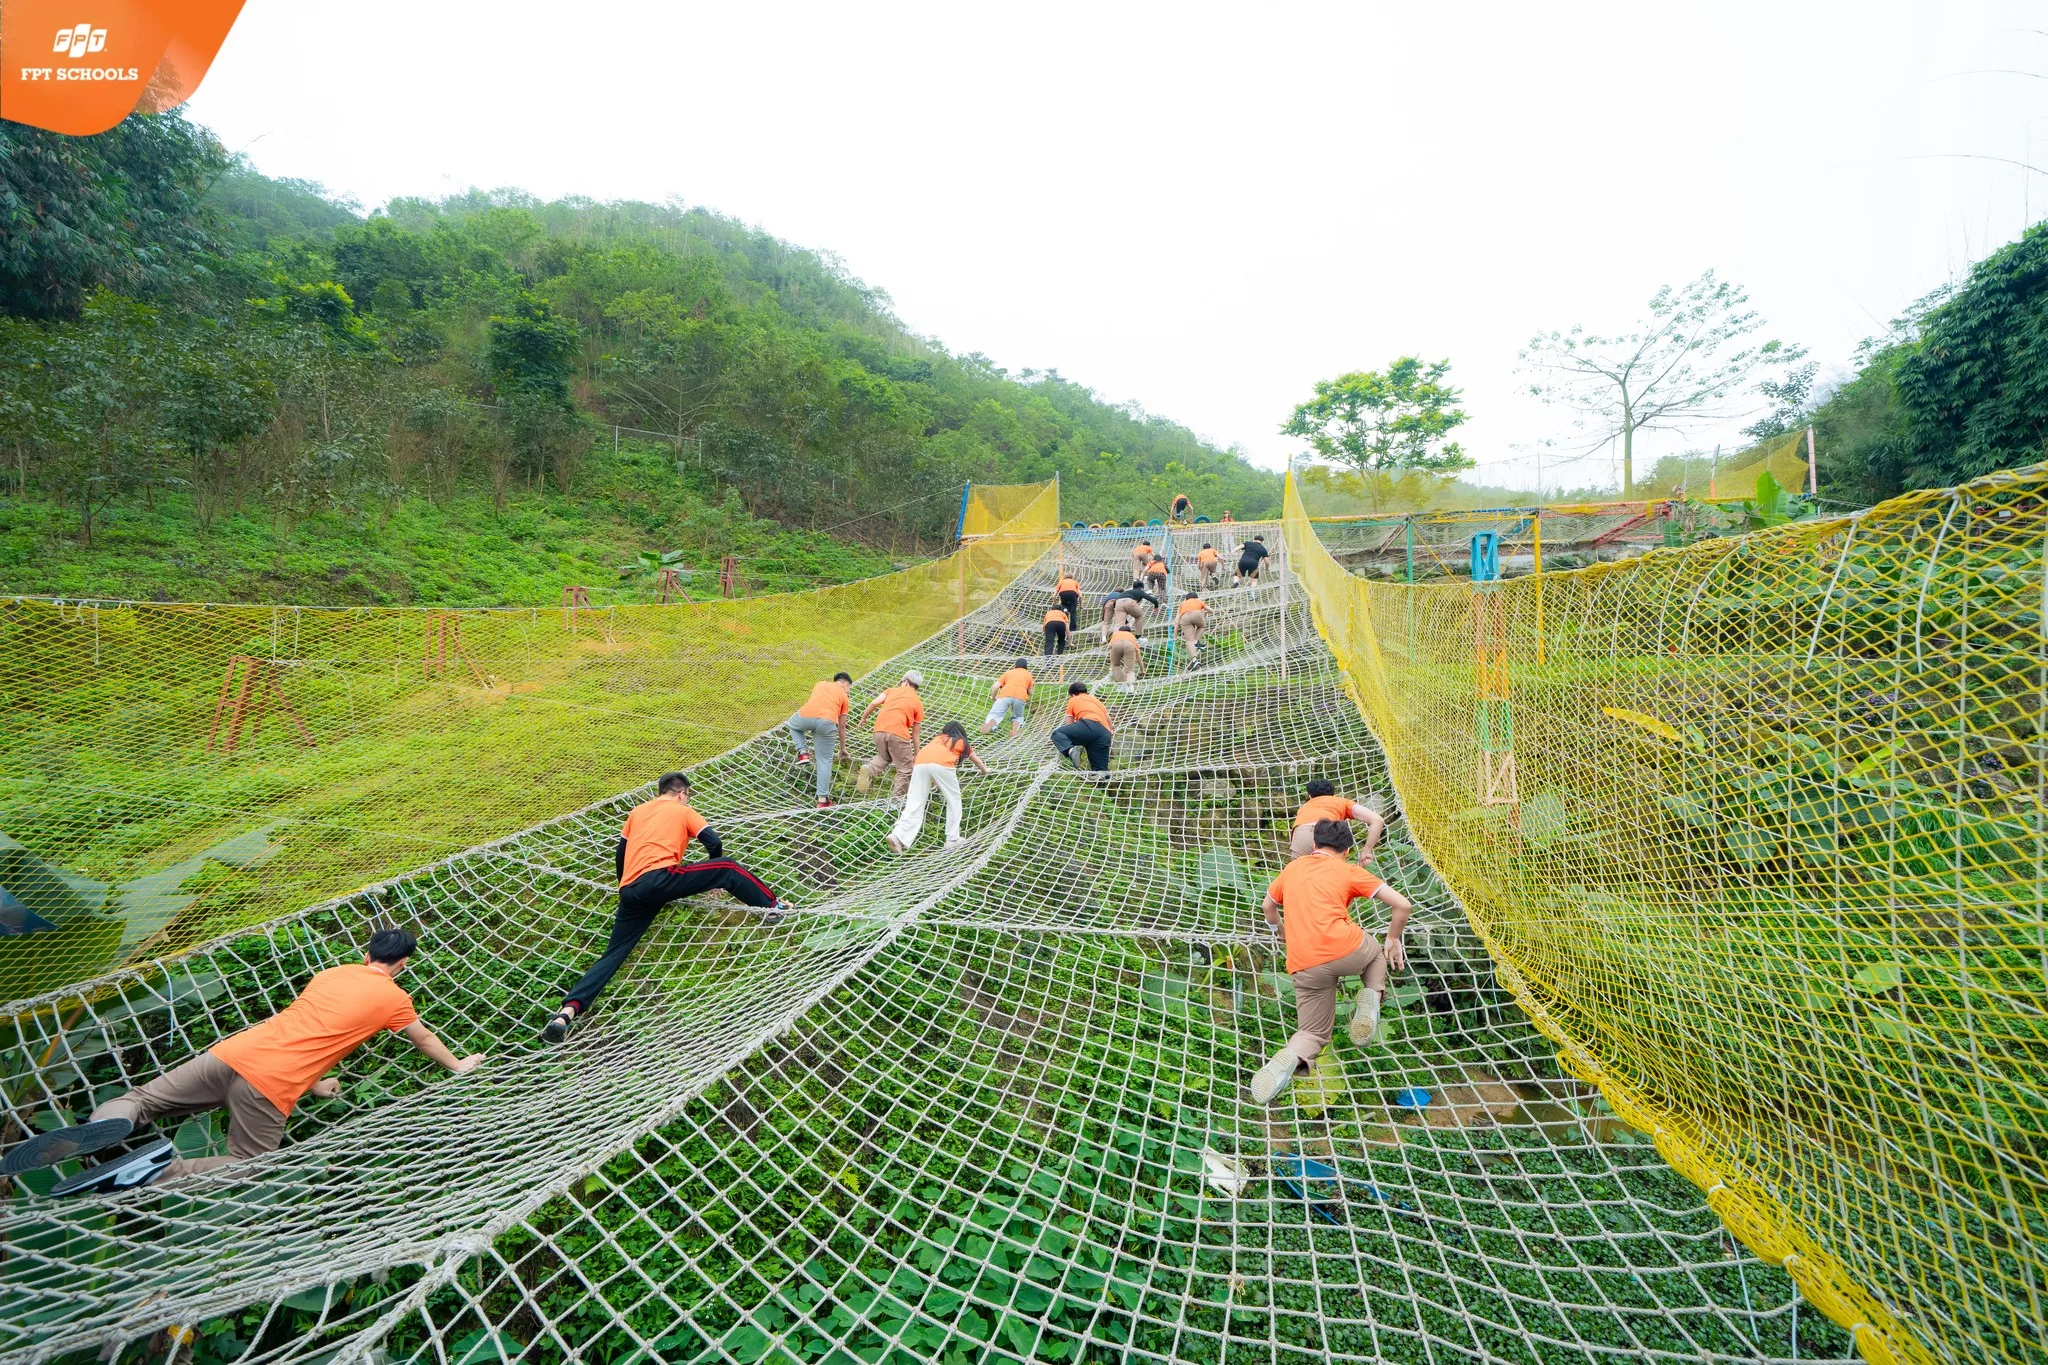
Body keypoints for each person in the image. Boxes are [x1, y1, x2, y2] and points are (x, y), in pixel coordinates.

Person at [3, 927, 484, 1189]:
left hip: (234, 1053)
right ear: (402, 964)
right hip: (269, 1086)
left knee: (142, 1099)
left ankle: (103, 1125)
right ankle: (156, 1173)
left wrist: (316, 1084)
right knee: (248, 1164)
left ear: (366, 954)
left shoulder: (331, 974)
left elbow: (309, 1030)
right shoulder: (394, 999)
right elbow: (422, 1038)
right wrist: (459, 1065)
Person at [544, 772, 787, 1043]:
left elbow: (621, 852)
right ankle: (773, 905)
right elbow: (714, 841)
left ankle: (566, 1013)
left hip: (630, 890)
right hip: (660, 878)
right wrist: (713, 879)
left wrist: (624, 883)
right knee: (727, 867)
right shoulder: (683, 810)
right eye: (687, 795)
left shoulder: (637, 812)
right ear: (682, 793)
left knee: (613, 954)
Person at [1249, 820, 1412, 1104]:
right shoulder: (1349, 870)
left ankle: (1290, 1057)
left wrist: (1280, 931)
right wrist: (1393, 938)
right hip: (1347, 949)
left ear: (1314, 845)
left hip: (1304, 962)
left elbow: (1268, 906)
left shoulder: (1292, 869)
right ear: (1347, 850)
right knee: (1376, 953)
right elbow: (1403, 904)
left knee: (1312, 1032)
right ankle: (1371, 997)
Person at [887, 722, 991, 854]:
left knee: (915, 802)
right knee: (954, 800)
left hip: (920, 765)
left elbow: (932, 761)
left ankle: (897, 835)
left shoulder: (937, 739)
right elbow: (976, 760)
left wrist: (937, 782)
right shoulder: (961, 742)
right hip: (942, 766)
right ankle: (952, 838)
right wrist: (984, 770)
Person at [786, 671, 852, 809]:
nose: (849, 691)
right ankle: (822, 800)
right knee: (824, 760)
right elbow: (841, 727)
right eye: (849, 689)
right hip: (827, 723)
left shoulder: (820, 684)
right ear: (845, 684)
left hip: (806, 716)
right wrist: (842, 749)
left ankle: (803, 752)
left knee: (792, 725)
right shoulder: (844, 697)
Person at [856, 669, 925, 799]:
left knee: (884, 757)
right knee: (905, 769)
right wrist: (917, 754)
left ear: (906, 682)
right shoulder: (918, 703)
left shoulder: (890, 691)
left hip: (878, 731)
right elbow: (915, 733)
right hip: (899, 734)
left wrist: (864, 718)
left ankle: (869, 769)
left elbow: (874, 703)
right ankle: (896, 801)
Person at [1290, 778, 1387, 857]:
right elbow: (1377, 820)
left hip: (1301, 834)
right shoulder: (1341, 802)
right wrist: (1367, 851)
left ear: (1310, 796)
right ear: (1333, 794)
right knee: (1333, 871)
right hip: (1327, 833)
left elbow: (1293, 835)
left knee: (1298, 870)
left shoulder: (1304, 807)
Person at [1051, 682, 1114, 772]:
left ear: (1073, 694)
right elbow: (1108, 718)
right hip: (1104, 733)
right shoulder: (1096, 701)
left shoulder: (1074, 699)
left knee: (1058, 733)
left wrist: (1073, 736)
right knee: (1100, 771)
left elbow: (1069, 721)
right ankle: (1102, 778)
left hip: (1088, 725)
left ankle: (1071, 751)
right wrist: (1110, 731)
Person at [985, 659, 1034, 734]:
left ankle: (991, 726)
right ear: (1026, 666)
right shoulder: (1028, 675)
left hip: (1005, 695)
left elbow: (995, 686)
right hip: (1020, 697)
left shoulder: (1008, 672)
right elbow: (1030, 692)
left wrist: (993, 697)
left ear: (1015, 666)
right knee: (1018, 716)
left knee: (995, 714)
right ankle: (1017, 726)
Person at [1175, 592, 1211, 665]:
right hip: (1196, 614)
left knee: (1189, 641)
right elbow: (1211, 610)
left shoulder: (1182, 604)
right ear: (1196, 597)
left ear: (1186, 599)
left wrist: (1174, 636)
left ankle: (1194, 660)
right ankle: (1196, 642)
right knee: (1202, 626)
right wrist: (1205, 612)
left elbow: (1176, 621)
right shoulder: (1198, 601)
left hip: (1184, 618)